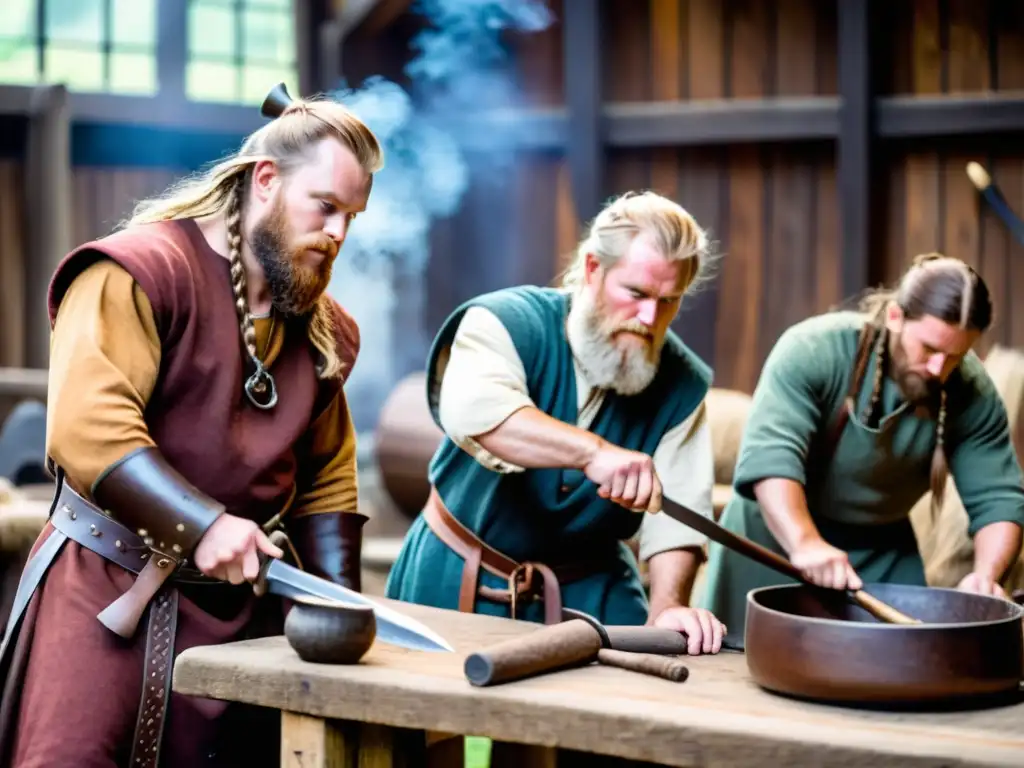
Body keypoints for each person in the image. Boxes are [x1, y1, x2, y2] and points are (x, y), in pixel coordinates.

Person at [0, 85, 383, 767]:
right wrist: (203, 526)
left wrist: (334, 610)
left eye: (351, 216)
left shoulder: (325, 333)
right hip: (105, 592)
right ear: (266, 180)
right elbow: (91, 430)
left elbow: (327, 479)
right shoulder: (140, 273)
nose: (338, 234)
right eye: (325, 207)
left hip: (242, 624)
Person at [386, 190, 728, 654]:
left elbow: (678, 520)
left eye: (668, 301)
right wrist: (594, 453)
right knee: (409, 717)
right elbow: (481, 417)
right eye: (636, 293)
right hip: (454, 571)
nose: (650, 317)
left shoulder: (682, 385)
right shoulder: (504, 322)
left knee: (627, 713)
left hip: (588, 591)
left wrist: (667, 606)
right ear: (593, 269)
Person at [698, 253, 1024, 636]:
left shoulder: (971, 390)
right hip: (774, 535)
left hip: (881, 548)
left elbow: (999, 500)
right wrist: (805, 543)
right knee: (733, 665)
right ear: (895, 317)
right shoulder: (815, 350)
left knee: (910, 662)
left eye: (954, 356)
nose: (939, 369)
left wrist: (986, 578)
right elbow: (772, 460)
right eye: (930, 350)